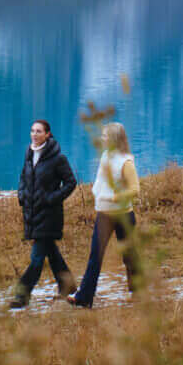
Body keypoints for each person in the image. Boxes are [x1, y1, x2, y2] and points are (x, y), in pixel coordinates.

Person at [68, 120, 141, 308]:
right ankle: (84, 297)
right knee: (95, 256)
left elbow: (135, 189)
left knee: (129, 255)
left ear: (115, 139)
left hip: (123, 215)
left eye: (105, 136)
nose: (102, 138)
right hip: (104, 215)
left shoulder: (126, 162)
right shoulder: (105, 156)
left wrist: (117, 197)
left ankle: (139, 291)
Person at [8, 118, 78, 309]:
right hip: (31, 214)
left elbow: (71, 183)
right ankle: (68, 285)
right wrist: (21, 195)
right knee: (52, 253)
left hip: (49, 215)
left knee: (37, 258)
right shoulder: (29, 153)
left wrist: (52, 198)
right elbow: (24, 176)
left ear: (47, 134)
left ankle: (22, 295)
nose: (34, 134)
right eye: (32, 131)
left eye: (39, 131)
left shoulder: (58, 158)